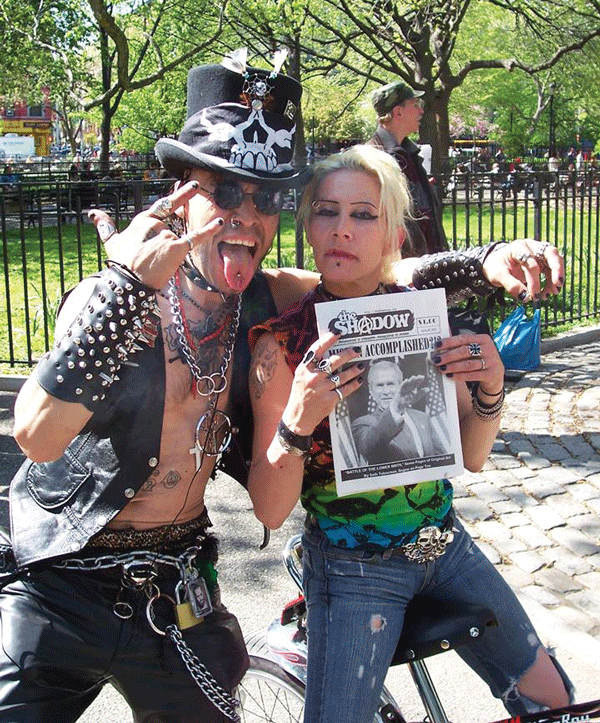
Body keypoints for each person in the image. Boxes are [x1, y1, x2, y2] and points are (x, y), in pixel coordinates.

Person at [3, 50, 565, 722]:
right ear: (180, 191)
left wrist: (484, 261)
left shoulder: (269, 299)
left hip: (175, 590)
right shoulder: (113, 298)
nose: (246, 214)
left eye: (265, 196)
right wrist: (127, 288)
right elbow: (37, 436)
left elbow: (378, 276)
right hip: (60, 586)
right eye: (225, 191)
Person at [247, 144, 573, 723]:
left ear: (395, 233)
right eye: (326, 212)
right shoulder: (282, 345)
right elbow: (270, 512)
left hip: (442, 542)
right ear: (308, 226)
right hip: (354, 566)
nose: (341, 229)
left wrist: (492, 389)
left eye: (363, 214)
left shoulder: (426, 319)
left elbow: (470, 457)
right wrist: (297, 420)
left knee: (554, 700)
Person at [368, 80, 449, 257]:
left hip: (424, 265)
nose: (421, 111)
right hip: (398, 269)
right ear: (398, 112)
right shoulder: (373, 158)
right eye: (415, 104)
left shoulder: (409, 154)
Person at [351, 361, 450, 465]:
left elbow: (439, 456)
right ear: (371, 390)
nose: (386, 391)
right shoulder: (362, 423)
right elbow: (368, 448)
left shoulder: (422, 417)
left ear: (400, 385)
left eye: (390, 384)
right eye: (380, 385)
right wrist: (395, 407)